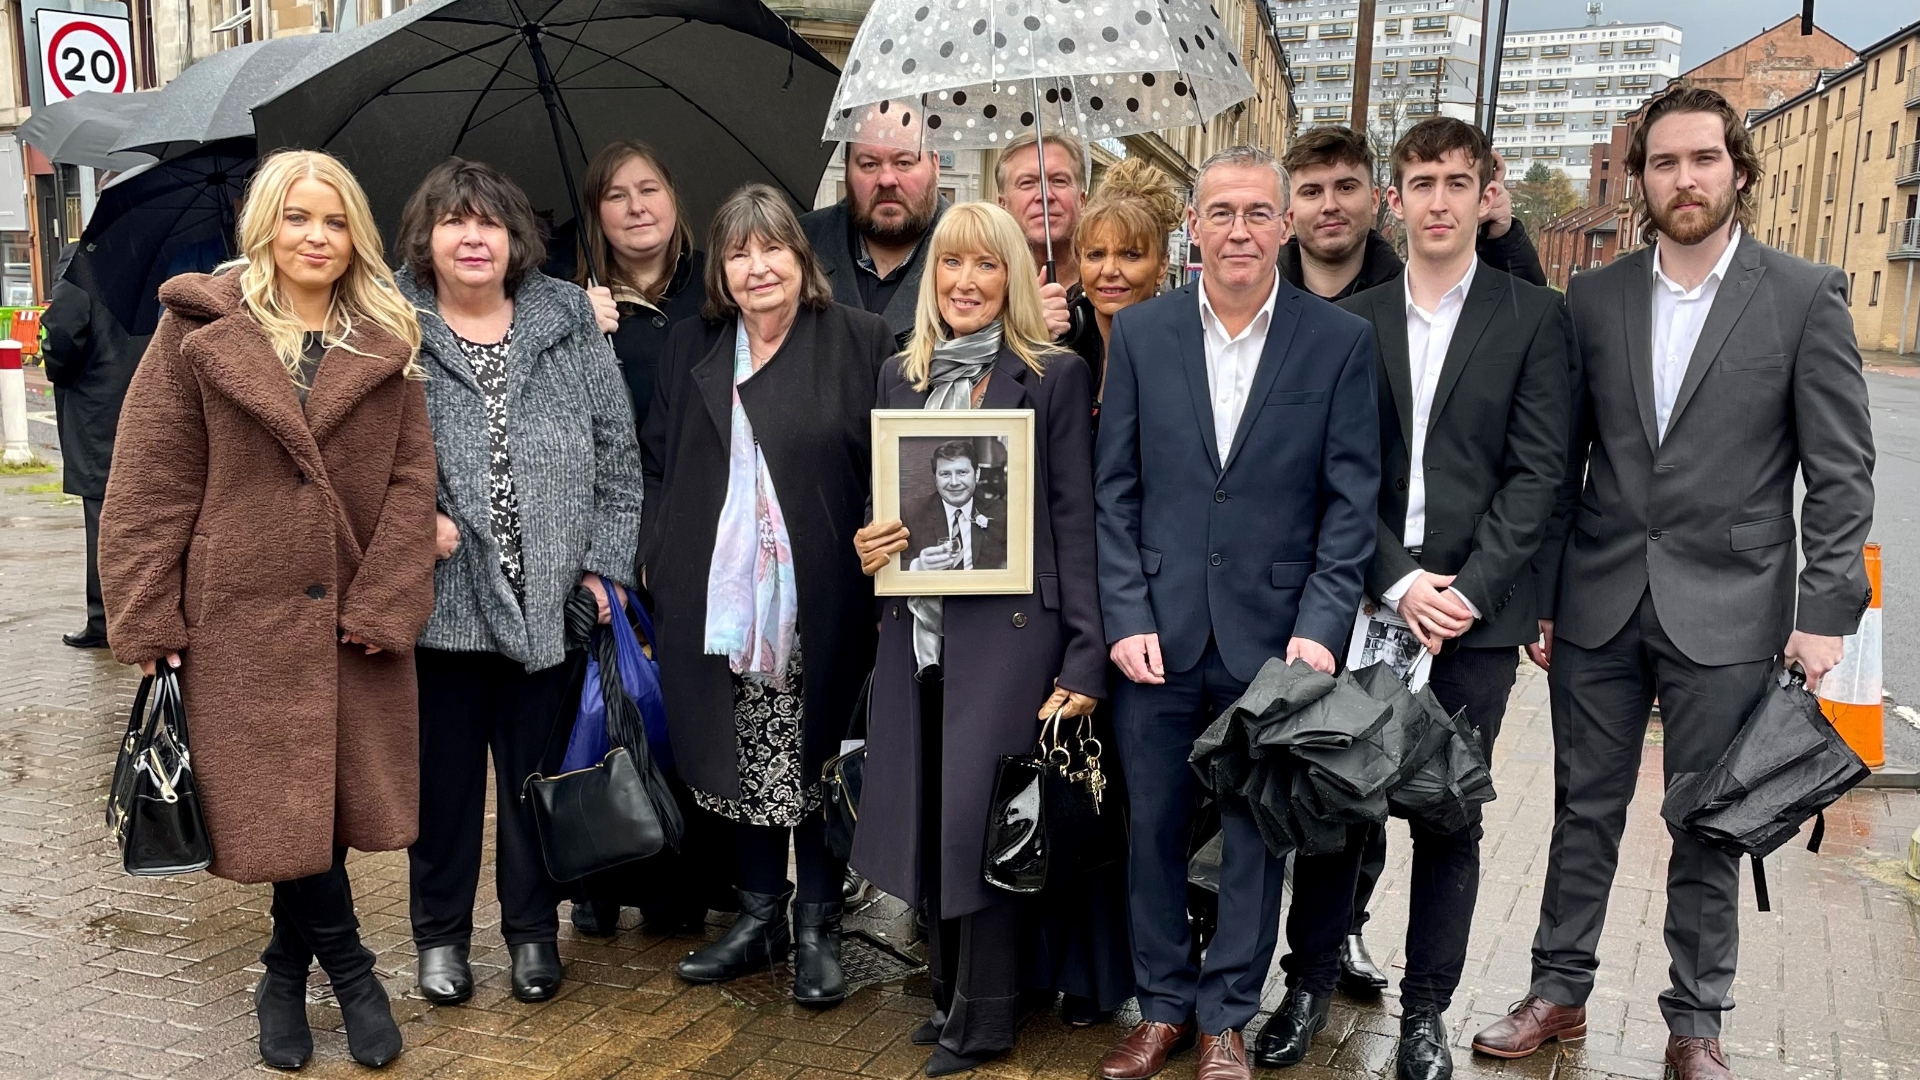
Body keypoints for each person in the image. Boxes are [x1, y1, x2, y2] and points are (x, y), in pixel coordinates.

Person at [1470, 88, 1875, 1080]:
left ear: (1737, 168)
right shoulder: (1599, 298)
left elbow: (1842, 474)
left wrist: (1825, 618)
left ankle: (1696, 1021)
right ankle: (1558, 992)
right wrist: (1551, 599)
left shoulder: (1800, 293)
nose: (1683, 180)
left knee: (1710, 821)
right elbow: (1561, 462)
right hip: (1602, 599)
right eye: (1663, 163)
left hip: (1734, 608)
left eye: (1702, 160)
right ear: (1641, 178)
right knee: (1582, 809)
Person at [98, 149, 436, 1071]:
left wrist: (388, 596)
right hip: (236, 621)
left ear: (355, 232)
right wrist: (146, 613)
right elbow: (150, 482)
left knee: (315, 808)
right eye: (297, 218)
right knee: (282, 806)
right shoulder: (200, 329)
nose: (315, 237)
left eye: (333, 220)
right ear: (266, 228)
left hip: (350, 621)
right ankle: (352, 970)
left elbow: (413, 485)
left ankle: (284, 977)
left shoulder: (388, 334)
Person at [1093, 146, 1380, 1080]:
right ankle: (1163, 1005)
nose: (1241, 231)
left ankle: (1226, 1017)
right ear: (1193, 226)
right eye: (1222, 213)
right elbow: (1116, 495)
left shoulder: (1336, 343)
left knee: (1257, 838)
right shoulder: (1142, 336)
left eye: (1259, 212)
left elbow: (1350, 504)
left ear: (1285, 223)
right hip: (1159, 637)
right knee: (1153, 832)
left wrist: (1321, 627)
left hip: (1276, 642)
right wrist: (1126, 613)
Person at [1305, 118, 1571, 1080]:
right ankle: (1304, 988)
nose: (1439, 201)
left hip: (1475, 618)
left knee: (1448, 815)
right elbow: (1332, 474)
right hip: (1366, 599)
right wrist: (1397, 578)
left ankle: (1425, 1013)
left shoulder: (1534, 317)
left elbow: (1540, 475)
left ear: (1483, 193)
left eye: (1458, 182)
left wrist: (1464, 592)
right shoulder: (1352, 321)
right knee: (1338, 802)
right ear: (1397, 198)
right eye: (1422, 182)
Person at [852, 201, 1123, 1074]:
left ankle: (987, 1019)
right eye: (950, 266)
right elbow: (891, 501)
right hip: (920, 641)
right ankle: (948, 997)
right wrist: (870, 537)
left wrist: (1086, 653)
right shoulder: (904, 373)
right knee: (935, 825)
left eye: (987, 266)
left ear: (1012, 276)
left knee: (991, 829)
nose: (966, 283)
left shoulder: (1052, 374)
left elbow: (1075, 520)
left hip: (1012, 645)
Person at [395, 157, 644, 1009]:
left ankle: (534, 934)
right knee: (445, 791)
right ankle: (440, 940)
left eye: (490, 222)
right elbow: (356, 464)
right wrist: (406, 528)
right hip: (443, 608)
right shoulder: (392, 327)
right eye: (455, 221)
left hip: (550, 606)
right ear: (427, 240)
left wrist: (604, 569)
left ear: (515, 239)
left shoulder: (568, 320)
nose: (474, 238)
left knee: (540, 783)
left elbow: (618, 455)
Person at [642, 183, 893, 1006]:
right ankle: (759, 918)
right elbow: (656, 460)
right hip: (719, 603)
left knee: (817, 755)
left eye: (772, 248)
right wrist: (655, 557)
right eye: (738, 253)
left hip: (824, 595)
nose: (757, 267)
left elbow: (888, 461)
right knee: (741, 753)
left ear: (801, 257)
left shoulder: (858, 339)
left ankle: (817, 924)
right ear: (720, 268)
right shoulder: (691, 346)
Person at [567, 137, 730, 940]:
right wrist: (571, 325)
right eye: (617, 195)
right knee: (604, 702)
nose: (637, 208)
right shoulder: (563, 302)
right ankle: (601, 868)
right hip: (597, 533)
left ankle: (681, 876)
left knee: (684, 708)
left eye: (650, 189)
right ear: (595, 213)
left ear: (674, 197)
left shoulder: (714, 289)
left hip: (695, 527)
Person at [1280, 125, 1544, 306]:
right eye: (1312, 192)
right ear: (1288, 210)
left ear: (1376, 199)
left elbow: (1522, 321)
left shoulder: (1415, 298)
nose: (1330, 205)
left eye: (1346, 187)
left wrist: (1501, 238)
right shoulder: (1257, 297)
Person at [40, 242, 143, 650]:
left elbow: (62, 331)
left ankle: (106, 620)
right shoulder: (167, 254)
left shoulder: (85, 257)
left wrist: (60, 373)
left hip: (101, 403)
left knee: (104, 512)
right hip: (155, 396)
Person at [1069, 157, 1184, 406]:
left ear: (1163, 265)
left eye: (1131, 254)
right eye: (1096, 254)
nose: (1109, 270)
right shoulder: (1058, 342)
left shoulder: (1188, 352)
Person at [901, 440, 1008, 571]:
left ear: (977, 474)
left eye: (962, 472)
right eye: (945, 474)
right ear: (935, 478)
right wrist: (917, 567)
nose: (954, 482)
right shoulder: (911, 512)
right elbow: (887, 568)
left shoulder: (1001, 512)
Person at [997, 132, 1086, 289]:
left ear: (1082, 200)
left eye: (1059, 181)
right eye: (1027, 183)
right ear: (1003, 204)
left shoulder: (1111, 278)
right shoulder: (988, 288)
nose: (1046, 196)